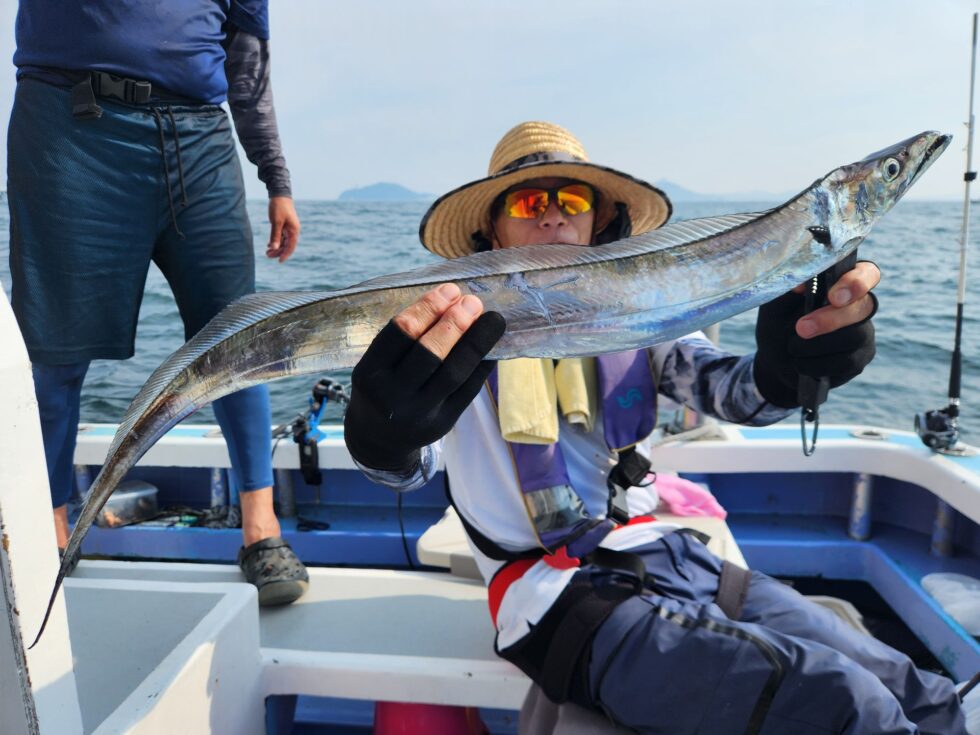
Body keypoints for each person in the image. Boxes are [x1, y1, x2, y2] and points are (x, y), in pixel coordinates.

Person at [343, 121, 968, 733]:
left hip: (664, 553)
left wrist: (788, 369)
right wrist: (382, 435)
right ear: (492, 229)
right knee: (845, 703)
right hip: (548, 594)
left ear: (597, 221)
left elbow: (732, 391)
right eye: (530, 201)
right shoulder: (455, 337)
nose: (553, 216)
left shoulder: (642, 311)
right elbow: (410, 464)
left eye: (572, 200)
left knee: (912, 686)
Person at [7, 0, 308, 605]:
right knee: (57, 352)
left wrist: (276, 178)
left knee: (236, 341)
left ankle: (260, 527)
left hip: (199, 140)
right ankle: (53, 524)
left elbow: (245, 68)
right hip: (71, 128)